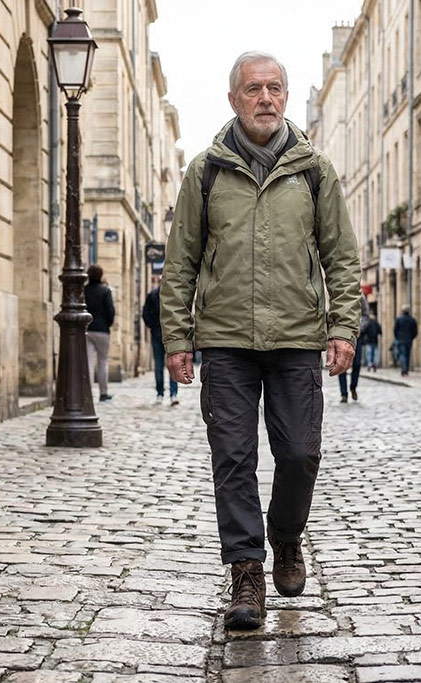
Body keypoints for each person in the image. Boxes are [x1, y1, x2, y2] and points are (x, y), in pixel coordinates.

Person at [160, 52, 361, 631]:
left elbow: (340, 257)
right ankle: (246, 571)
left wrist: (342, 326)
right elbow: (181, 263)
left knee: (300, 453)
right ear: (234, 99)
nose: (266, 98)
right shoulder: (205, 172)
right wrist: (178, 335)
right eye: (254, 89)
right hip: (225, 340)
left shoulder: (315, 171)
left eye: (275, 88)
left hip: (297, 336)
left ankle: (286, 536)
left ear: (286, 96)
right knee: (234, 459)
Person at [142, 278, 178, 406]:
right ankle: (160, 393)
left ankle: (173, 393)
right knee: (159, 367)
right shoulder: (152, 296)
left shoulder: (173, 297)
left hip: (170, 335)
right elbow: (145, 314)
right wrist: (152, 326)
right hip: (158, 335)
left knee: (172, 365)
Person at [84, 264, 115, 402]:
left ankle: (88, 393)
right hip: (102, 330)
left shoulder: (84, 290)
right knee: (103, 362)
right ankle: (103, 392)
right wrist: (107, 324)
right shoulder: (105, 290)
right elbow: (110, 311)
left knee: (89, 362)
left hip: (87, 329)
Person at [339, 295, 369, 402]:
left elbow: (365, 315)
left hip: (357, 336)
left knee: (357, 363)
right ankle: (343, 394)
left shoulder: (360, 297)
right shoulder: (340, 295)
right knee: (342, 364)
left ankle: (353, 387)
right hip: (343, 335)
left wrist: (360, 328)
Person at [393, 307, 418, 375]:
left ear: (402, 312)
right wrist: (412, 337)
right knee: (407, 354)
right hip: (409, 339)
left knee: (402, 354)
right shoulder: (412, 320)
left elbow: (395, 330)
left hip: (401, 339)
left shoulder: (399, 319)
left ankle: (403, 369)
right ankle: (406, 369)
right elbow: (415, 331)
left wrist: (397, 337)